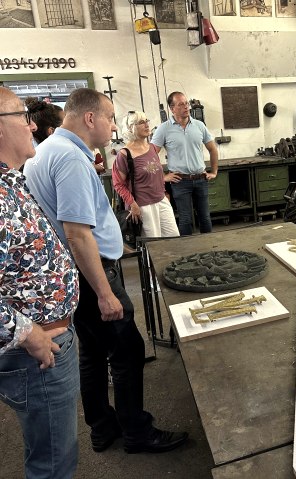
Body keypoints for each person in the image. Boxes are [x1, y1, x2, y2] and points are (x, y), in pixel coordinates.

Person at [24, 88, 188, 454]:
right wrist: (105, 292)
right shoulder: (69, 158)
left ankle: (102, 426)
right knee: (127, 350)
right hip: (92, 272)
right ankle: (136, 432)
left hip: (72, 274)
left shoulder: (46, 151)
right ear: (89, 118)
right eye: (111, 118)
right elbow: (77, 234)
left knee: (93, 353)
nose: (114, 126)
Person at [0, 87, 80, 478]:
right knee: (52, 464)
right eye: (21, 115)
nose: (32, 124)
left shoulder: (11, 181)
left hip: (48, 343)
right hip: (37, 353)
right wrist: (28, 334)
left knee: (55, 451)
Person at [151, 91, 219, 235]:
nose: (186, 107)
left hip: (201, 178)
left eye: (186, 103)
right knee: (185, 219)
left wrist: (214, 172)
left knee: (205, 218)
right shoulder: (164, 129)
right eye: (181, 104)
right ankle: (187, 254)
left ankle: (210, 251)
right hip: (180, 181)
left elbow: (213, 149)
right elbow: (150, 155)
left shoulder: (199, 126)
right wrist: (162, 176)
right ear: (172, 108)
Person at [112, 111, 180, 238]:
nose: (147, 125)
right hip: (143, 206)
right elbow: (118, 184)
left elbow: (156, 173)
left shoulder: (152, 148)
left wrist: (164, 193)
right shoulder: (125, 154)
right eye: (141, 123)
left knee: (174, 237)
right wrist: (133, 204)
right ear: (131, 128)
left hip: (161, 201)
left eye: (146, 121)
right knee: (153, 245)